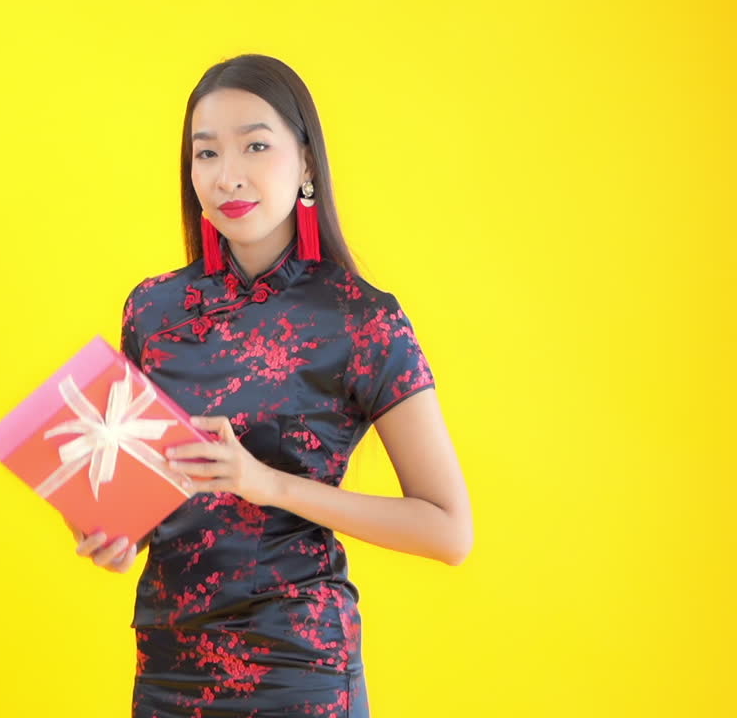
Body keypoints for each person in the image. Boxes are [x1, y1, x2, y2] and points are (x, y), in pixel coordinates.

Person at [65, 54, 472, 717]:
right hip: (169, 672)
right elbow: (137, 499)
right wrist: (113, 533)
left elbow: (449, 530)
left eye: (256, 145)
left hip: (298, 672)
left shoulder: (362, 319)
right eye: (206, 154)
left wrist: (268, 484)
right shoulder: (153, 310)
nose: (228, 175)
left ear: (306, 162)